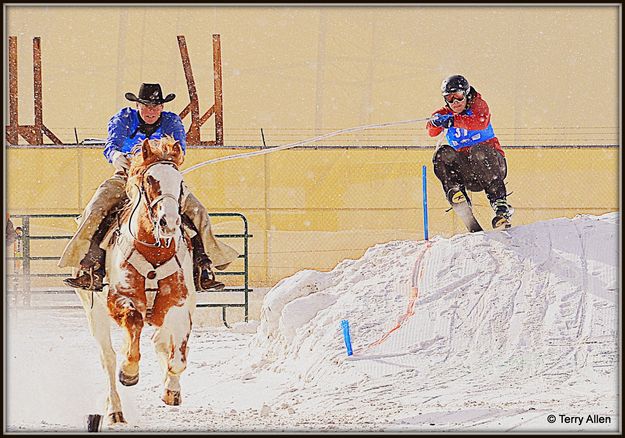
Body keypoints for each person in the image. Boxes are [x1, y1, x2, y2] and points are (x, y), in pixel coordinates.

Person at [59, 83, 239, 291]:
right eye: (145, 106)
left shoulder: (172, 122)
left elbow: (178, 150)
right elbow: (112, 145)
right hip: (127, 176)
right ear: (137, 105)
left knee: (198, 211)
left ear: (162, 108)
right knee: (97, 207)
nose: (150, 111)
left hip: (162, 178)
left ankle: (204, 264)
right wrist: (116, 156)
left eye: (155, 106)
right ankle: (88, 265)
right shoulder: (123, 119)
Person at [426, 74, 513, 229]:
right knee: (442, 153)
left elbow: (480, 121)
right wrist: (434, 122)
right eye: (450, 98)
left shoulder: (478, 105)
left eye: (458, 96)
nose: (455, 102)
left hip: (491, 165)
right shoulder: (446, 112)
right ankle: (459, 198)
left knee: (477, 151)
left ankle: (499, 204)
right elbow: (431, 131)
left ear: (466, 93)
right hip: (469, 172)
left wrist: (454, 120)